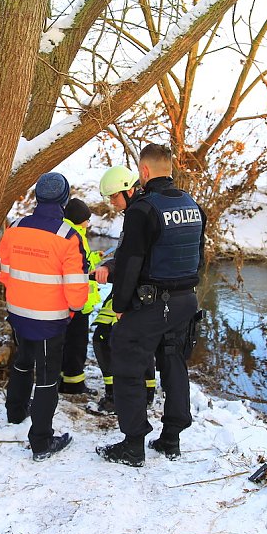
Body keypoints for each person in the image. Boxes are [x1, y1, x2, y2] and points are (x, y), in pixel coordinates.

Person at [96, 144, 206, 467]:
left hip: (152, 302)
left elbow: (131, 263)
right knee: (173, 364)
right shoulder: (192, 206)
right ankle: (171, 438)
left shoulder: (142, 210)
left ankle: (133, 445)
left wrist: (120, 306)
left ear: (143, 172)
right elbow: (197, 258)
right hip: (186, 301)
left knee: (126, 360)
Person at [0, 172, 89, 461]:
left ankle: (15, 412)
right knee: (48, 377)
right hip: (50, 318)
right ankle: (41, 441)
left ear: (37, 197)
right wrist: (74, 310)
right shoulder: (68, 236)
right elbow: (76, 288)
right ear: (64, 200)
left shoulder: (15, 227)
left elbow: (5, 272)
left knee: (23, 363)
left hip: (18, 311)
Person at [91, 166, 157, 413]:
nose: (112, 202)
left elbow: (135, 260)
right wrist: (109, 266)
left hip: (136, 292)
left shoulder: (140, 214)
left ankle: (116, 395)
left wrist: (121, 303)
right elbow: (125, 255)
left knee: (103, 338)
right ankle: (145, 391)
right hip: (133, 289)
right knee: (131, 342)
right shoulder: (138, 211)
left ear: (129, 190)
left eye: (114, 196)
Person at [59, 198, 102, 396]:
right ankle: (74, 384)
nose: (88, 223)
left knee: (64, 343)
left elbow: (80, 262)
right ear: (79, 219)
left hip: (64, 303)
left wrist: (94, 258)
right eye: (86, 219)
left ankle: (61, 380)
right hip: (79, 304)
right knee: (77, 345)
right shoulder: (76, 236)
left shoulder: (63, 232)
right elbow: (81, 270)